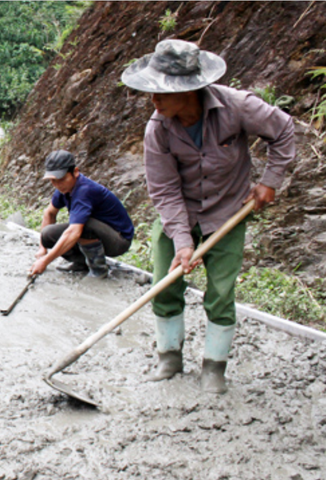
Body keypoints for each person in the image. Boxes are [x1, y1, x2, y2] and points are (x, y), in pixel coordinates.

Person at [121, 39, 295, 393]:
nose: (153, 100)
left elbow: (284, 130)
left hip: (228, 211)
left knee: (220, 291)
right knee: (164, 284)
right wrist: (183, 242)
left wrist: (269, 182)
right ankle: (169, 357)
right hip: (178, 213)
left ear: (191, 90)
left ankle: (214, 367)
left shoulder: (238, 106)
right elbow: (164, 189)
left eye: (162, 93)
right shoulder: (158, 128)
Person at [30, 150, 134, 279]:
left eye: (61, 179)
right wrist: (42, 249)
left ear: (75, 172)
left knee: (83, 227)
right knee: (47, 234)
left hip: (118, 239)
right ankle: (81, 263)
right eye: (53, 181)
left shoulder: (84, 191)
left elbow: (74, 232)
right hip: (98, 233)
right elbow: (49, 213)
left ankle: (98, 270)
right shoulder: (64, 189)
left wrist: (45, 261)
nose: (57, 185)